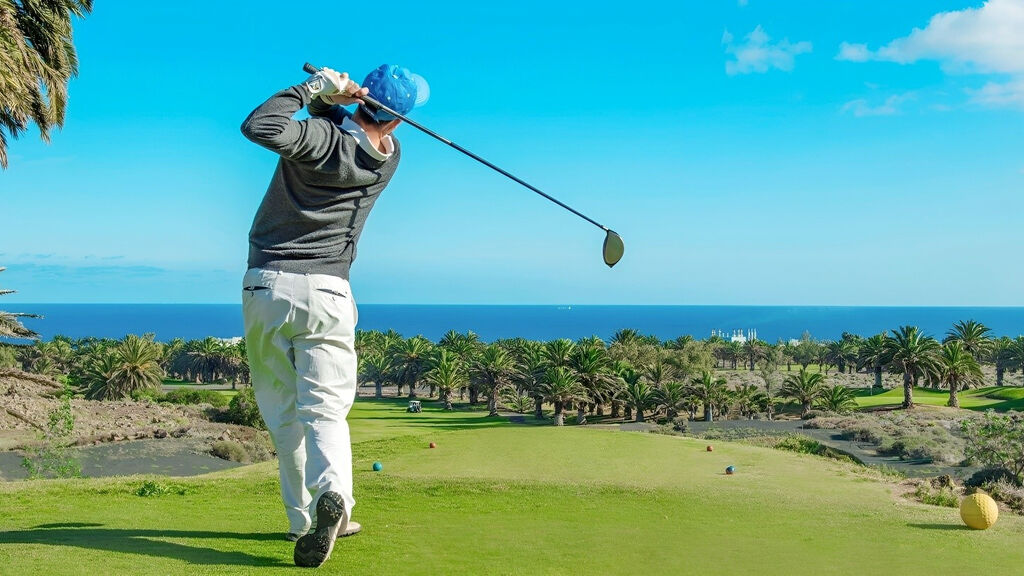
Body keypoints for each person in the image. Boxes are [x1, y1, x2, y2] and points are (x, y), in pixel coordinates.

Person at [239, 63, 427, 568]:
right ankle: (336, 502)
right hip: (329, 292)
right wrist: (334, 103)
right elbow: (348, 137)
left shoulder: (319, 139)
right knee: (326, 411)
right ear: (397, 121)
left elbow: (260, 126)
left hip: (268, 285)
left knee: (283, 415)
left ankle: (303, 520)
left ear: (362, 97)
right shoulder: (388, 158)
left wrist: (313, 90)